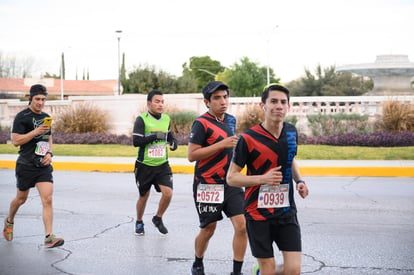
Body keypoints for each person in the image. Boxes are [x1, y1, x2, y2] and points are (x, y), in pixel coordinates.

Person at [227, 83, 309, 275]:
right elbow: (232, 178)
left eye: (283, 102)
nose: (278, 106)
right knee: (269, 271)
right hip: (258, 213)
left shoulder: (291, 132)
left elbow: (290, 158)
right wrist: (262, 179)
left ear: (288, 107)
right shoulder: (248, 139)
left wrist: (300, 181)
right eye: (273, 101)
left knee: (293, 270)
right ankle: (261, 270)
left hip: (286, 211)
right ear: (262, 105)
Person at [188, 81, 247, 275]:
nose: (223, 101)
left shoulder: (230, 120)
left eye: (225, 96)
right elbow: (192, 155)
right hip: (207, 184)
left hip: (230, 181)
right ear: (207, 102)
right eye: (217, 98)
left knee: (242, 226)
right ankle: (198, 262)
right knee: (209, 228)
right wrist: (221, 144)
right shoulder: (201, 123)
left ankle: (236, 271)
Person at [2, 84, 64, 248]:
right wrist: (34, 132)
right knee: (21, 199)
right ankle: (9, 220)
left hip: (42, 166)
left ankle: (49, 237)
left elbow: (48, 138)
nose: (41, 102)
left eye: (43, 99)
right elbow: (15, 141)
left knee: (48, 199)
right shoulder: (22, 117)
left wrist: (50, 154)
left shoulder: (46, 116)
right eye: (37, 99)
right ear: (30, 98)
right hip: (26, 164)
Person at [132, 89, 178, 236]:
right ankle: (139, 221)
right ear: (149, 103)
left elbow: (170, 137)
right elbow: (136, 141)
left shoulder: (166, 119)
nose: (160, 104)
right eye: (157, 101)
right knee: (144, 196)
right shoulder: (142, 119)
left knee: (168, 193)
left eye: (162, 102)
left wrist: (173, 143)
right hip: (145, 165)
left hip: (162, 165)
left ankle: (158, 218)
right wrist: (154, 136)